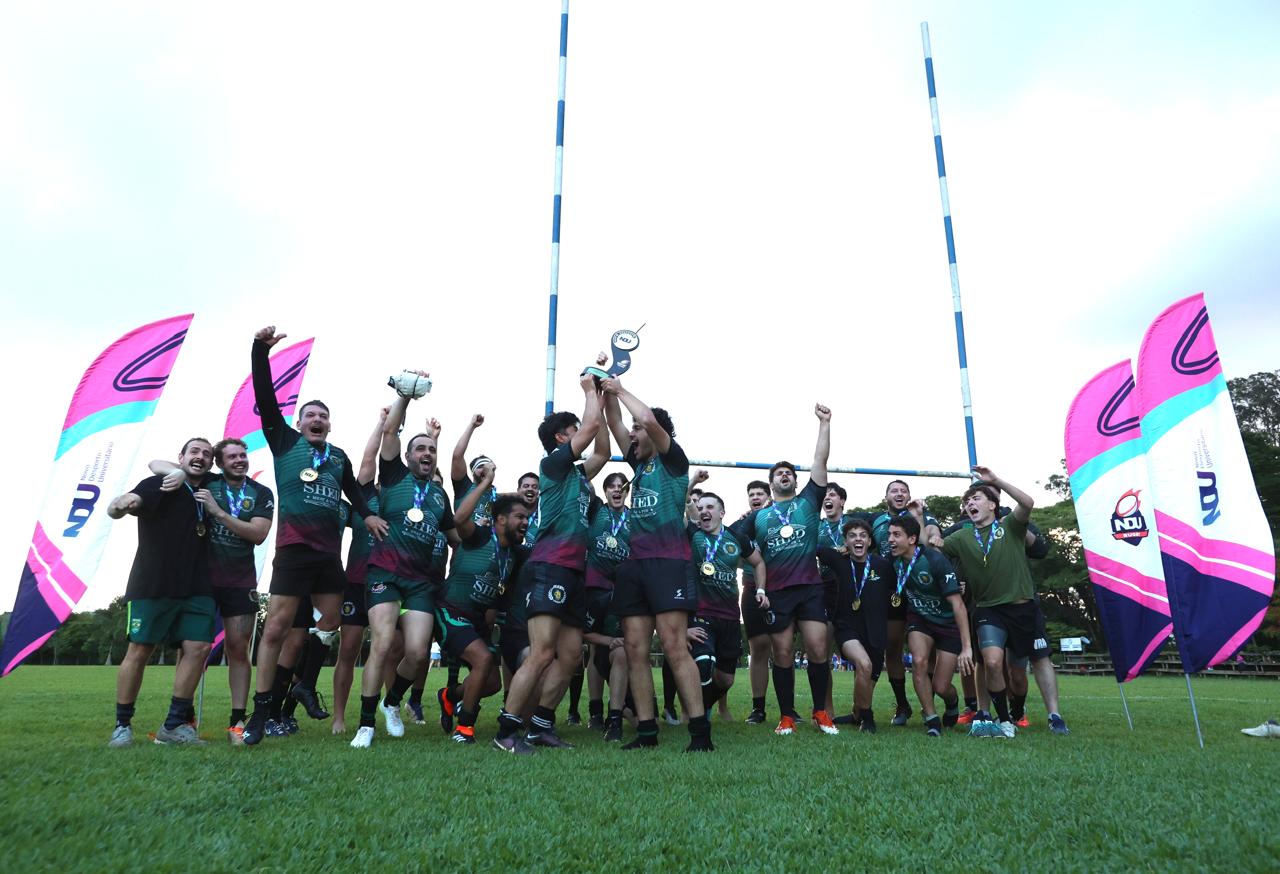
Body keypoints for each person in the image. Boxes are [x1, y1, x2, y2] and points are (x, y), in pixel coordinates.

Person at [242, 326, 384, 746]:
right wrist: (259, 350)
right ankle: (261, 711)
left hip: (327, 557)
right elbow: (266, 399)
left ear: (328, 423)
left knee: (334, 618)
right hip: (292, 552)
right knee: (275, 631)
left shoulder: (336, 456)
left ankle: (304, 683)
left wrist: (368, 515)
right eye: (310, 415)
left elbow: (355, 491)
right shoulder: (284, 441)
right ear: (299, 422)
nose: (317, 420)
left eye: (323, 416)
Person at [492, 373, 605, 754]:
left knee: (571, 656)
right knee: (542, 653)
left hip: (574, 571)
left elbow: (601, 450)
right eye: (572, 431)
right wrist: (591, 389)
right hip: (550, 566)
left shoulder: (576, 474)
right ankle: (506, 731)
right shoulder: (553, 465)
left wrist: (603, 400)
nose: (580, 434)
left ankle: (541, 725)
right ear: (562, 438)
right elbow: (589, 429)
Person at [602, 377, 711, 752]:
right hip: (635, 565)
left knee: (673, 645)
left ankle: (700, 733)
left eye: (638, 430)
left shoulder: (672, 460)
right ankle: (646, 731)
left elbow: (645, 417)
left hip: (669, 563)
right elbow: (616, 422)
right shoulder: (639, 464)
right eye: (632, 430)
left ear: (656, 433)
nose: (631, 433)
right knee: (635, 649)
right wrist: (603, 390)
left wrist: (620, 388)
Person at [351, 387, 454, 748]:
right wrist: (405, 398)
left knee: (418, 653)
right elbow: (391, 432)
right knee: (380, 643)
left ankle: (392, 702)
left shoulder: (440, 496)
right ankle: (365, 724)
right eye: (420, 449)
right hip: (384, 574)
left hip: (420, 583)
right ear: (408, 456)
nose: (427, 453)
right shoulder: (393, 476)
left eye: (432, 450)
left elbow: (456, 533)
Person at [937, 468, 1070, 737]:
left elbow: (1028, 503)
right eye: (967, 501)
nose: (970, 503)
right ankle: (1002, 720)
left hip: (1023, 608)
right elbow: (934, 546)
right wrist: (923, 525)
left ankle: (1054, 715)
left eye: (976, 498)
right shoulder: (962, 535)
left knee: (1031, 665)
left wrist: (995, 481)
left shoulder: (1010, 525)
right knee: (992, 662)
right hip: (988, 610)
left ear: (993, 505)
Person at [730, 404, 835, 737]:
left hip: (809, 587)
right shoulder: (758, 517)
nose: (784, 475)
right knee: (783, 652)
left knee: (819, 648)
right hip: (776, 592)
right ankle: (787, 715)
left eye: (789, 472)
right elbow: (733, 545)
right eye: (778, 473)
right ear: (772, 483)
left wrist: (824, 424)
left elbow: (820, 462)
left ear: (795, 479)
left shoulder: (807, 502)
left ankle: (820, 712)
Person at [108, 438, 218, 747]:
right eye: (194, 451)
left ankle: (173, 726)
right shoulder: (160, 483)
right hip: (153, 583)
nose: (201, 457)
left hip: (198, 586)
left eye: (206, 454)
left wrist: (183, 473)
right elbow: (129, 500)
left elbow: (160, 460)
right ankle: (122, 725)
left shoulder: (212, 487)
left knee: (198, 648)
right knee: (140, 650)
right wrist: (121, 503)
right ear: (181, 456)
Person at [436, 486, 530, 744]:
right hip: (450, 612)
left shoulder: (515, 553)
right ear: (501, 519)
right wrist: (485, 482)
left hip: (477, 623)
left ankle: (450, 696)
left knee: (491, 684)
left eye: (527, 518)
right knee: (483, 659)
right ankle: (464, 728)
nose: (525, 522)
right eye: (520, 517)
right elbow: (458, 520)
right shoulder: (479, 536)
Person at [199, 438, 274, 743]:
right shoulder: (207, 482)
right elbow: (161, 467)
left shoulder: (260, 493)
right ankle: (183, 717)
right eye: (232, 457)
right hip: (201, 580)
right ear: (219, 462)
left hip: (240, 581)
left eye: (242, 455)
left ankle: (237, 722)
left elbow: (258, 534)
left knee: (238, 650)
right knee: (194, 649)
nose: (240, 460)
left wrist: (218, 513)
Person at [888, 515, 973, 737]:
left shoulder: (935, 561)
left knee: (941, 687)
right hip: (920, 621)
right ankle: (932, 718)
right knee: (918, 662)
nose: (890, 539)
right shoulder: (893, 561)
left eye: (896, 535)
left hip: (948, 625)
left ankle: (952, 702)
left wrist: (967, 648)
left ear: (912, 539)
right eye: (889, 534)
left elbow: (958, 606)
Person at [867, 479, 941, 727]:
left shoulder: (920, 513)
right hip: (890, 591)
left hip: (919, 590)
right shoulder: (875, 519)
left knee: (927, 651)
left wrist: (927, 525)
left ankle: (927, 705)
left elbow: (930, 537)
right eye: (894, 490)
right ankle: (902, 704)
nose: (899, 494)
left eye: (903, 490)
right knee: (893, 648)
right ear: (885, 495)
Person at [330, 409, 387, 734]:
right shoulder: (363, 499)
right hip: (355, 582)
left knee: (386, 648)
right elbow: (368, 460)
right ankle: (339, 717)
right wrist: (381, 423)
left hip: (389, 586)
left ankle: (385, 708)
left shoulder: (402, 500)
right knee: (349, 649)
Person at [688, 492, 766, 716]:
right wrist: (692, 484)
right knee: (704, 662)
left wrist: (761, 590)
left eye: (710, 507)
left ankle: (700, 707)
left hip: (730, 617)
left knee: (726, 679)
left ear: (722, 513)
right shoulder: (692, 533)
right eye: (700, 508)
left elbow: (759, 563)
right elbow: (684, 502)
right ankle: (696, 716)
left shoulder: (737, 538)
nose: (704, 511)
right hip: (701, 614)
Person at [820, 517, 893, 732]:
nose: (858, 539)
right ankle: (867, 718)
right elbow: (814, 549)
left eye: (862, 536)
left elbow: (897, 590)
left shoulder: (883, 565)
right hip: (847, 627)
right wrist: (836, 549)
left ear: (870, 541)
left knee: (869, 677)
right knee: (864, 665)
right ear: (846, 542)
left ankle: (857, 713)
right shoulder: (839, 561)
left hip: (876, 630)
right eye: (852, 536)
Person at [584, 472, 632, 731]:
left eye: (621, 486)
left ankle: (618, 710)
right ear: (605, 491)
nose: (617, 490)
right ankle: (595, 712)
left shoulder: (635, 517)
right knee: (594, 649)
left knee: (622, 648)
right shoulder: (596, 510)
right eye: (611, 486)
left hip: (623, 590)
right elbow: (584, 479)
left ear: (627, 492)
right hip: (595, 585)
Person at [740, 480, 774, 725]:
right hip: (751, 589)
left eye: (759, 493)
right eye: (751, 494)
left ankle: (789, 709)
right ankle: (758, 708)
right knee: (759, 648)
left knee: (783, 649)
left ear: (768, 496)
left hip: (782, 589)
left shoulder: (775, 519)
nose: (755, 497)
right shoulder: (743, 525)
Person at [451, 413, 497, 526]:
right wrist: (472, 426)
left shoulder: (497, 497)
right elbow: (457, 456)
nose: (486, 470)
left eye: (489, 467)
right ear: (472, 472)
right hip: (467, 541)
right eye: (481, 467)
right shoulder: (464, 487)